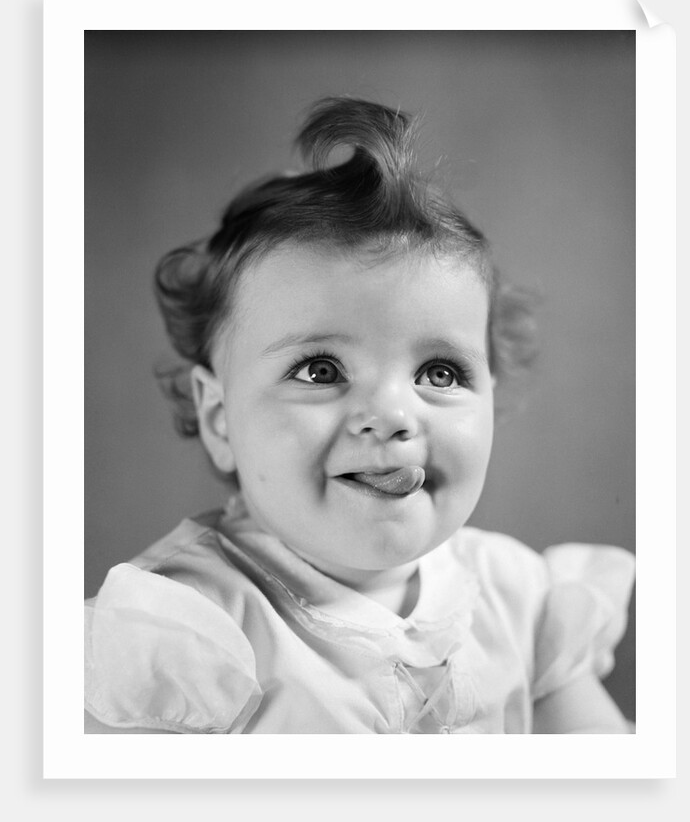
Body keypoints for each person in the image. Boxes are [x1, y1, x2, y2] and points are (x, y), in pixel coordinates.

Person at [84, 97, 634, 734]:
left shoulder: (520, 600)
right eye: (321, 371)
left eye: (440, 373)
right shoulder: (184, 638)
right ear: (218, 418)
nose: (393, 414)